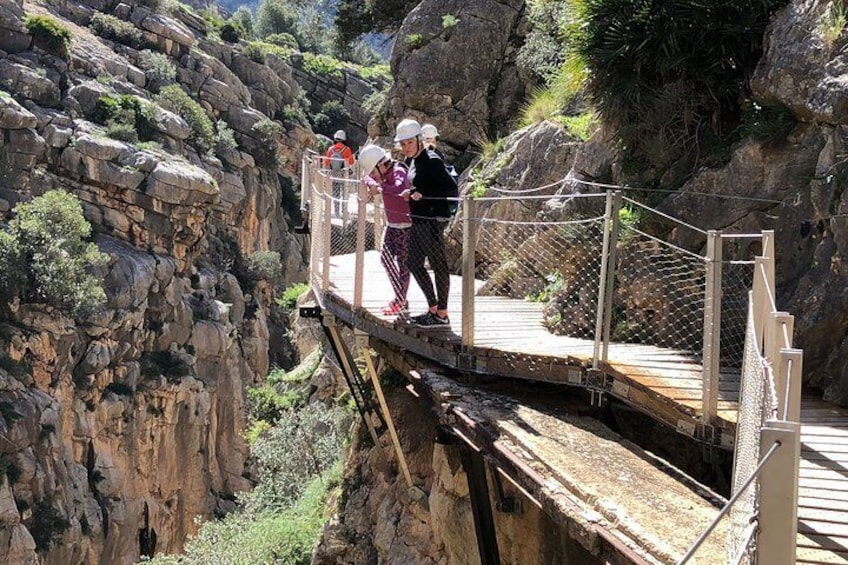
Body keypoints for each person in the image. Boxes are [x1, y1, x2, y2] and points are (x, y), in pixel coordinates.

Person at [394, 118, 457, 328]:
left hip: (432, 221)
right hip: (419, 220)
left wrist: (424, 194)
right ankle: (433, 308)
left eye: (409, 143)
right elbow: (421, 186)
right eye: (403, 144)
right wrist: (411, 193)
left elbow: (450, 190)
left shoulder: (431, 160)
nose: (406, 148)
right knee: (413, 262)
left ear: (419, 140)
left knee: (439, 265)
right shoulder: (414, 161)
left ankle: (441, 313)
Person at [359, 144, 413, 316]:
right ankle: (400, 298)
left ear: (381, 165)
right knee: (387, 260)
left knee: (404, 266)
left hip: (406, 228)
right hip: (393, 226)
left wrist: (380, 187)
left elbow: (399, 187)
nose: (373, 175)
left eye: (374, 171)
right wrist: (373, 182)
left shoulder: (398, 170)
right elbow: (365, 178)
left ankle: (401, 300)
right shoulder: (381, 174)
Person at [323, 130, 355, 216]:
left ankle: (336, 212)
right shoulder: (347, 149)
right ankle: (344, 211)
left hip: (334, 175)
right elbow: (351, 162)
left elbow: (326, 163)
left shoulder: (331, 149)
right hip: (344, 175)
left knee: (335, 194)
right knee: (345, 193)